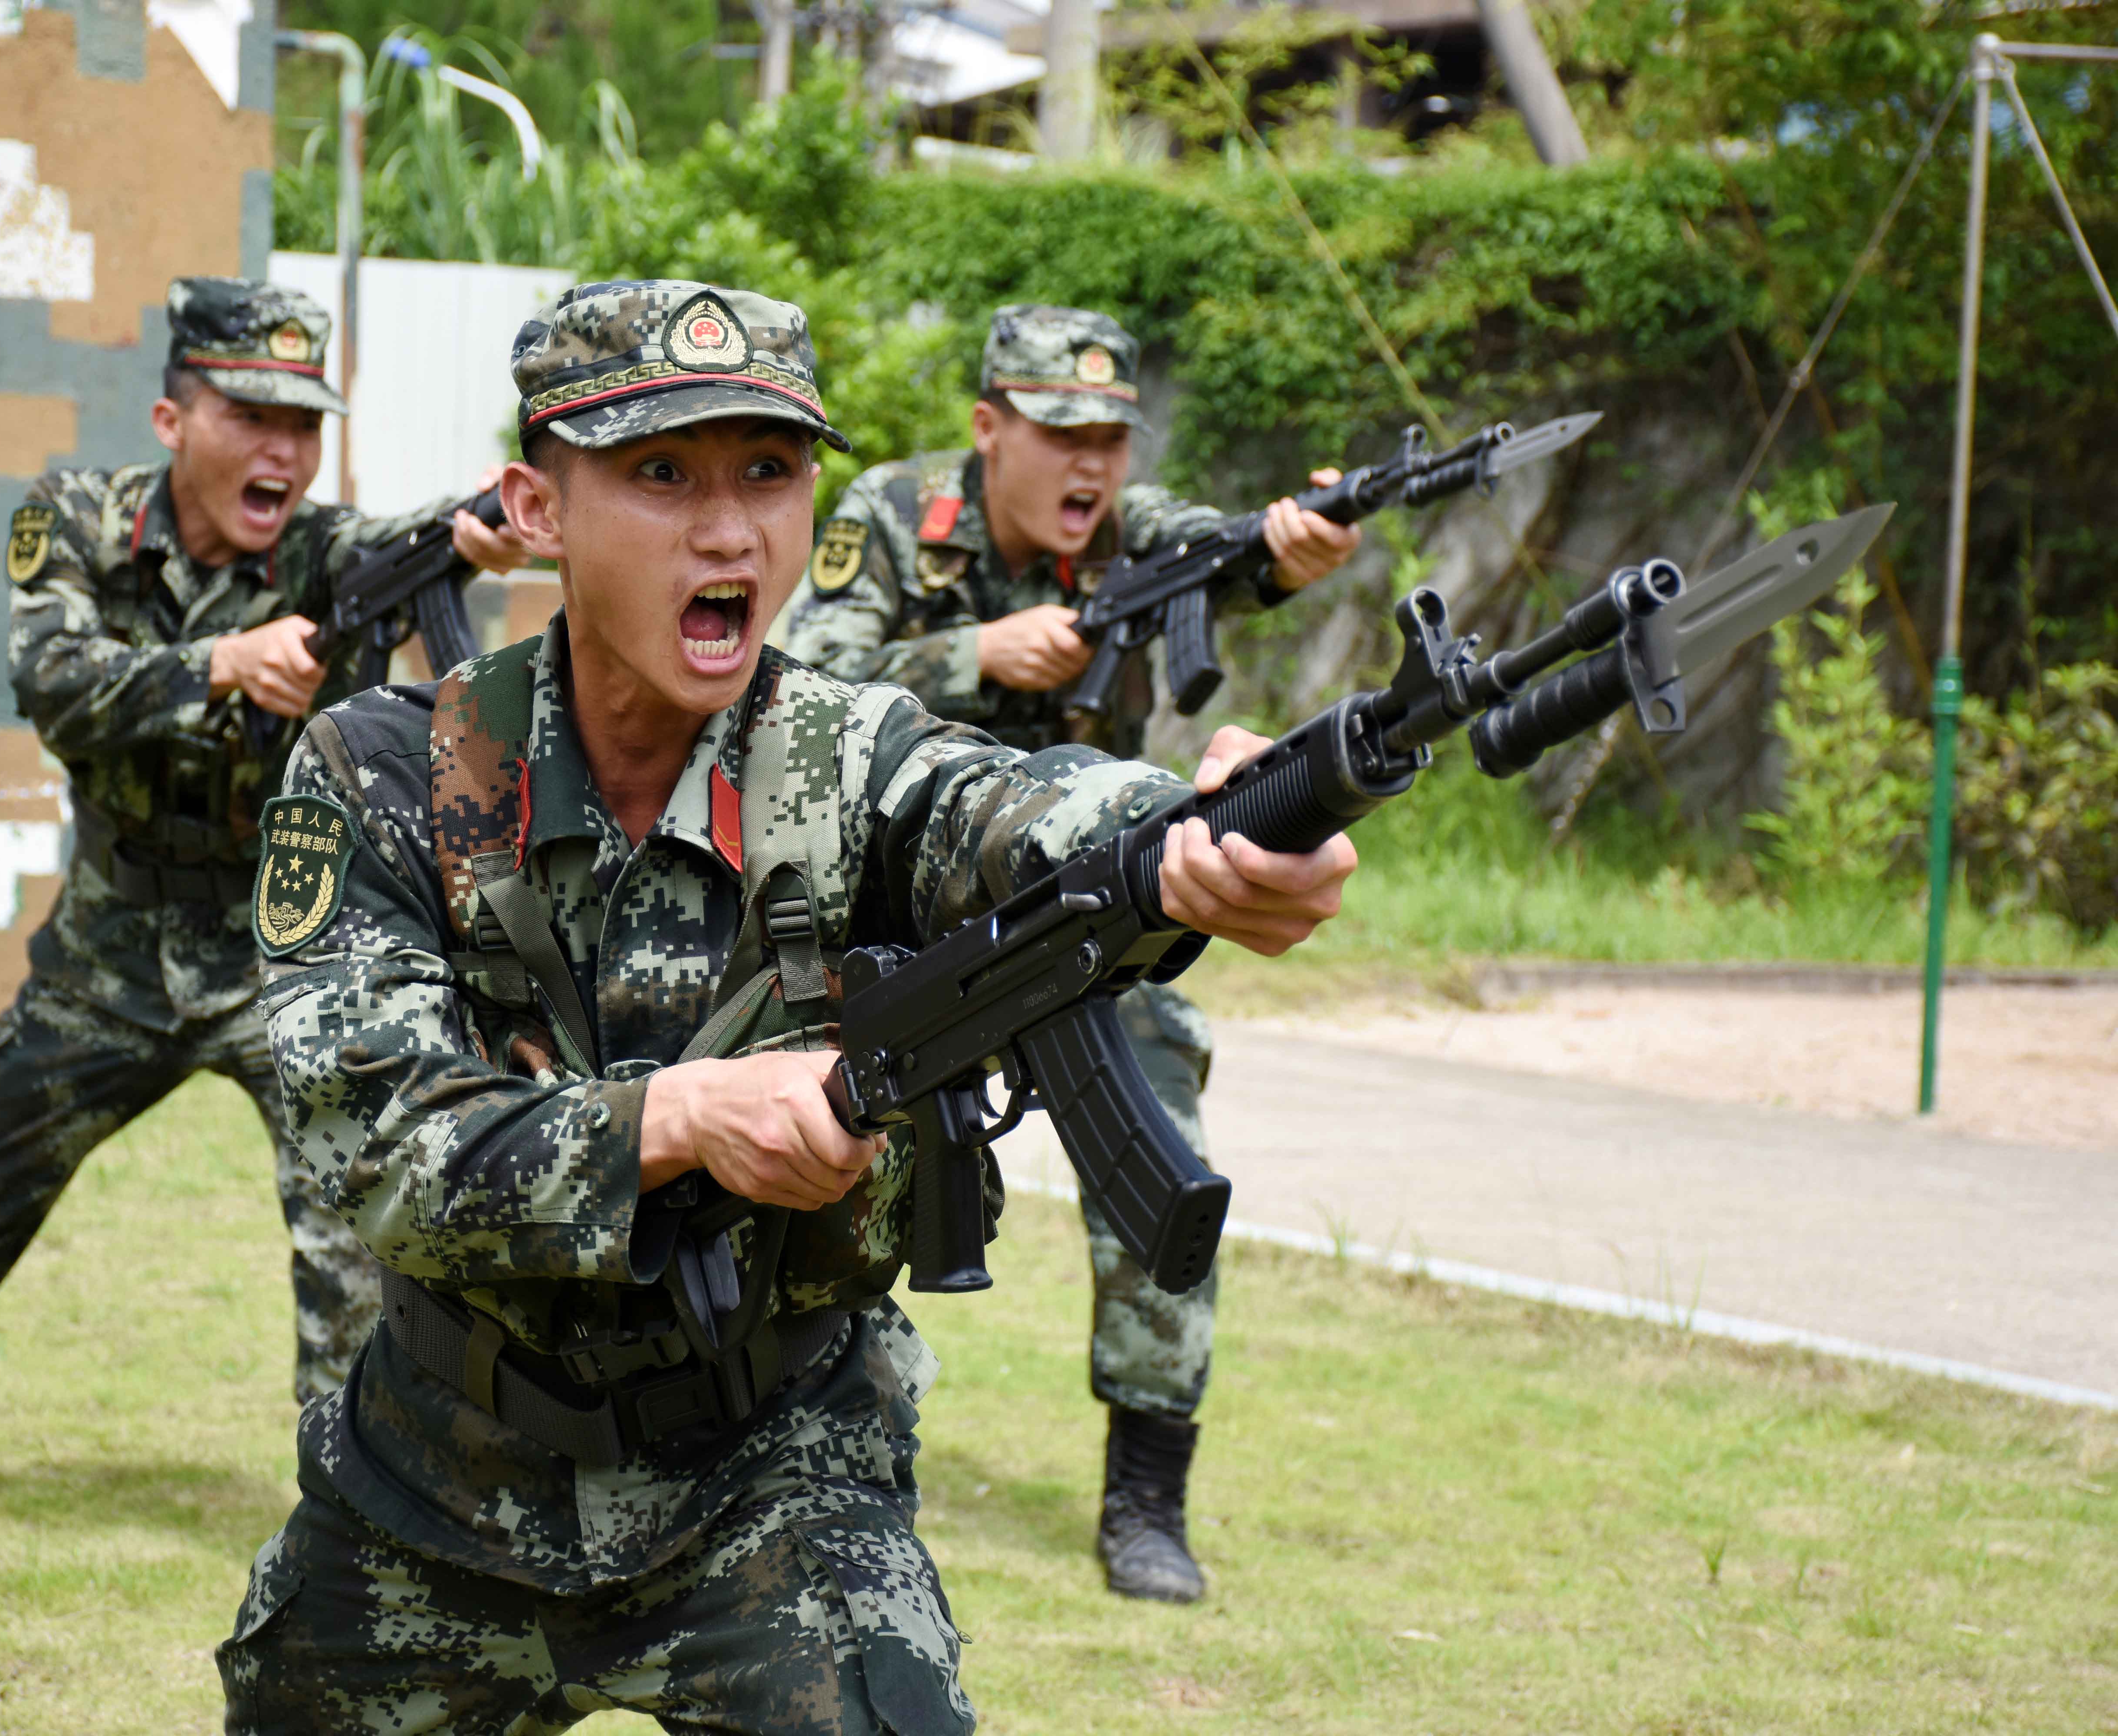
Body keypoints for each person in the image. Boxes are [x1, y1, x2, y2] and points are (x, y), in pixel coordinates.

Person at [214, 279, 1356, 1732]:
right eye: (661, 474)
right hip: (435, 1482)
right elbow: (367, 1143)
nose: (729, 529)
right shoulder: (384, 770)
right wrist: (682, 1117)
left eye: (769, 472)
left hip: (773, 1484)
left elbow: (1008, 807)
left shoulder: (852, 754)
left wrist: (1196, 829)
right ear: (539, 506)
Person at [0, 276, 531, 1503]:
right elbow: (51, 677)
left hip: (283, 949)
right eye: (251, 417)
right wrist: (220, 665)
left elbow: (426, 534)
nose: (282, 451)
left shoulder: (332, 550)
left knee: (357, 1226)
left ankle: (361, 1499)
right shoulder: (75, 522)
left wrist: (486, 526)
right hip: (113, 948)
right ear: (173, 420)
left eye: (303, 426)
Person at [775, 302, 1363, 1603]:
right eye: (1059, 431)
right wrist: (966, 652)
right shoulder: (891, 512)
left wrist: (1303, 537)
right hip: (894, 910)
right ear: (991, 430)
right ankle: (797, 1465)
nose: (1090, 462)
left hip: (1096, 913)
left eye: (1111, 431)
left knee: (1163, 1153)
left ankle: (1148, 1497)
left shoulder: (1137, 533)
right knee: (809, 1169)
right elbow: (795, 674)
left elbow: (1238, 552)